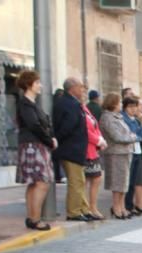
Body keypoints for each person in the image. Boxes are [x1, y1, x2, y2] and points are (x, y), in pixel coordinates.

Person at [15, 70, 56, 231]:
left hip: (37, 144)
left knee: (36, 182)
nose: (40, 85)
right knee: (41, 181)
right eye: (37, 82)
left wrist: (50, 138)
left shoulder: (31, 104)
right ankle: (35, 218)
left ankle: (32, 218)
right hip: (33, 145)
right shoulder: (25, 103)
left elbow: (43, 123)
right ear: (29, 84)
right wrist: (49, 140)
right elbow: (34, 125)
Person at [52, 77, 91, 221]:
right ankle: (73, 212)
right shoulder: (68, 104)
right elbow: (67, 127)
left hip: (75, 149)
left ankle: (84, 209)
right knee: (75, 182)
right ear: (72, 88)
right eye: (80, 87)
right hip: (71, 149)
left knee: (80, 181)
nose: (82, 90)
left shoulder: (73, 103)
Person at [98, 93, 135, 220]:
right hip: (115, 152)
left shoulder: (118, 117)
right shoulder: (107, 118)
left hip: (125, 151)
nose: (120, 105)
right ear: (113, 103)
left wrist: (131, 137)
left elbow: (128, 132)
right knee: (117, 182)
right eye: (119, 102)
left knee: (124, 182)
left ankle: (122, 206)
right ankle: (116, 207)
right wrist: (132, 138)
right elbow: (117, 136)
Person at [121, 97, 142, 215]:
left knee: (134, 180)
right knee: (129, 180)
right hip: (130, 151)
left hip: (138, 150)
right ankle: (126, 205)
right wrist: (137, 135)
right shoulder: (125, 119)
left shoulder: (136, 120)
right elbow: (133, 134)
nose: (133, 109)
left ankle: (130, 205)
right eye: (130, 107)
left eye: (134, 106)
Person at [82, 91, 106, 220]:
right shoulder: (80, 109)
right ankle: (87, 207)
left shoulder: (86, 109)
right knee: (87, 180)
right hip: (86, 149)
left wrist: (100, 139)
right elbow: (86, 130)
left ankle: (92, 206)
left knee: (96, 178)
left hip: (93, 149)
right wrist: (98, 140)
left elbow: (94, 127)